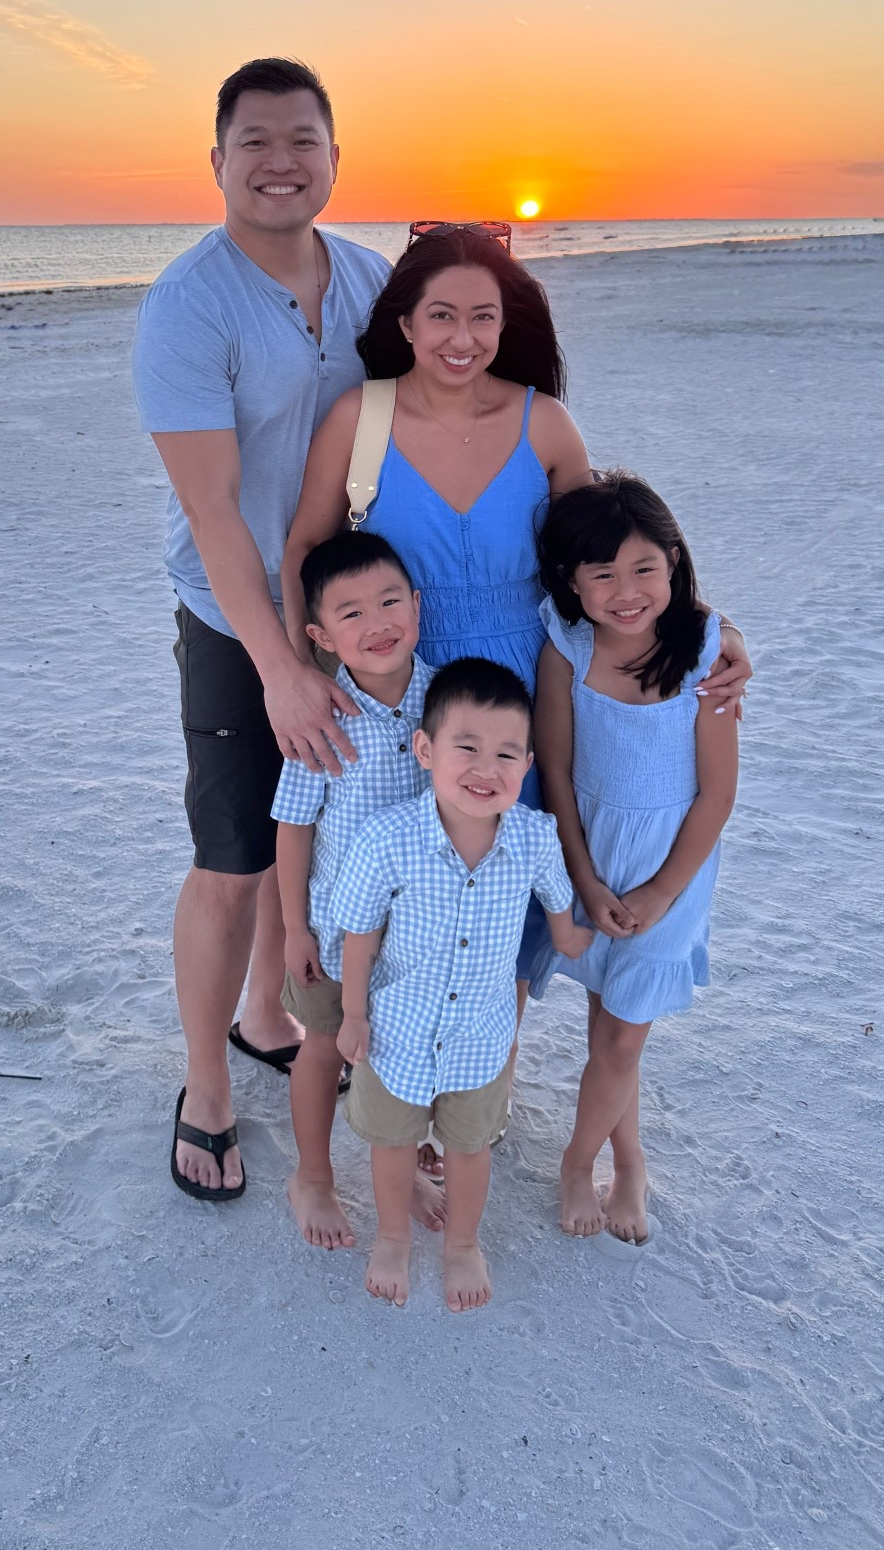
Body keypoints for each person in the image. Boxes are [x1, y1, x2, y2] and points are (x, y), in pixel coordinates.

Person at [283, 226, 753, 1083]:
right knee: (408, 884)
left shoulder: (545, 421)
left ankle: (471, 1080)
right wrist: (301, 679)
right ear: (405, 322)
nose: (463, 338)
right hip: (405, 696)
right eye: (442, 315)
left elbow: (609, 557)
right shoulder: (361, 417)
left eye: (484, 317)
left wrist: (713, 624)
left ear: (506, 324)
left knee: (505, 894)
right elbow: (306, 552)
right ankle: (396, 1071)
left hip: (529, 695)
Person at [131, 58, 391, 1202]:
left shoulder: (375, 277)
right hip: (235, 620)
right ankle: (207, 1084)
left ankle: (263, 1015)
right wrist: (280, 666)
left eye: (303, 139)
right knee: (234, 861)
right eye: (255, 142)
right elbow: (215, 513)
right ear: (219, 161)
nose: (280, 161)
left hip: (355, 610)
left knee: (322, 845)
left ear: (337, 156)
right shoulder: (190, 303)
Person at [329, 658, 593, 1312]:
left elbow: (557, 898)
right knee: (393, 1145)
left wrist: (569, 937)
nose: (487, 768)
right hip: (397, 1029)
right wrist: (353, 1014)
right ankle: (393, 1236)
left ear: (527, 765)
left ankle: (462, 1244)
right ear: (425, 749)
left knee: (471, 1149)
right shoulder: (387, 839)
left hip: (481, 1034)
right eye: (466, 747)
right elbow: (359, 933)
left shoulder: (534, 836)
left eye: (507, 753)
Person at [530, 472, 740, 1245]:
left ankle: (582, 1163)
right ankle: (631, 1149)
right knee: (608, 1025)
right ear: (569, 581)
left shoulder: (705, 655)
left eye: (646, 568)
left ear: (676, 564)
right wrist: (583, 880)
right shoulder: (566, 646)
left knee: (622, 1034)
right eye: (603, 574)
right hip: (590, 855)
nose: (627, 591)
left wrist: (658, 894)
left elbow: (716, 797)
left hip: (671, 872)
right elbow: (553, 770)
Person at [271, 530, 444, 1249]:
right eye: (351, 614)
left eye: (390, 601)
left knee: (406, 1050)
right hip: (336, 930)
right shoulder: (324, 715)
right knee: (323, 1048)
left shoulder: (447, 697)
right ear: (320, 637)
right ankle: (312, 1175)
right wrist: (294, 931)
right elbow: (292, 826)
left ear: (418, 604)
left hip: (417, 932)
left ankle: (401, 1170)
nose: (377, 623)